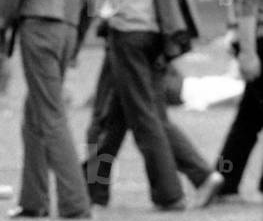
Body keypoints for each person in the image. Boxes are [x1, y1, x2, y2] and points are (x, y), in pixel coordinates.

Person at [87, 0, 204, 211]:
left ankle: (169, 192)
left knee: (141, 118)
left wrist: (95, 20)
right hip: (155, 31)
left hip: (127, 33)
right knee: (113, 122)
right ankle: (94, 185)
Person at [0, 0, 92, 219]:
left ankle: (75, 201)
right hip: (69, 25)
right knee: (35, 110)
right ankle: (33, 199)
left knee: (49, 112)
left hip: (40, 21)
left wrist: (0, 23)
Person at [83, 46, 225, 209]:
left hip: (127, 40)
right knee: (136, 118)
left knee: (112, 121)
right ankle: (93, 190)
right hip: (150, 43)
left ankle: (172, 192)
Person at [209, 0, 263, 203]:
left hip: (254, 37)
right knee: (250, 118)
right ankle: (224, 179)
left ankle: (225, 178)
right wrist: (249, 51)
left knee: (250, 118)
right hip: (258, 38)